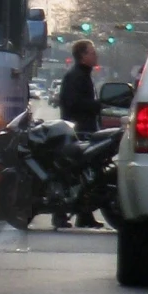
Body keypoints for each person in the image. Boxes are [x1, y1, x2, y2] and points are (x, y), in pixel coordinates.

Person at [54, 41, 102, 229]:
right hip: (78, 131)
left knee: (85, 174)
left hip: (84, 129)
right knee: (73, 173)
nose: (95, 55)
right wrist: (97, 105)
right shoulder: (76, 77)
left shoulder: (83, 75)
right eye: (92, 52)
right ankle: (59, 213)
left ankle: (84, 214)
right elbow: (74, 104)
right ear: (82, 55)